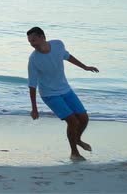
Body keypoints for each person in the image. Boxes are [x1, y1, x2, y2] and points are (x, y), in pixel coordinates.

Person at [26, 27, 99, 161]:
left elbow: (67, 56)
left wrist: (85, 67)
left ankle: (77, 139)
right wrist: (34, 108)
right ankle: (74, 153)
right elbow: (32, 85)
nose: (32, 44)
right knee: (72, 121)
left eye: (34, 40)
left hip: (65, 89)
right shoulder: (34, 59)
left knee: (84, 118)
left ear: (43, 37)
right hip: (49, 94)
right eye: (30, 42)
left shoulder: (58, 45)